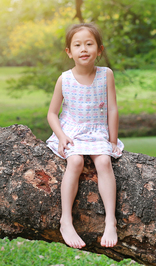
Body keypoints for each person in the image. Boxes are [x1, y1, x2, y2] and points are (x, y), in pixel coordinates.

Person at [46, 23, 124, 249]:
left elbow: (112, 109)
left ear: (99, 50)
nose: (84, 49)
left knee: (104, 161)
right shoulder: (64, 79)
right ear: (69, 52)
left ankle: (111, 221)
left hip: (97, 130)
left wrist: (112, 140)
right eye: (77, 45)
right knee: (76, 161)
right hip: (71, 131)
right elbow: (52, 114)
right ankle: (66, 221)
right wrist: (61, 136)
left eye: (89, 44)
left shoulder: (106, 75)